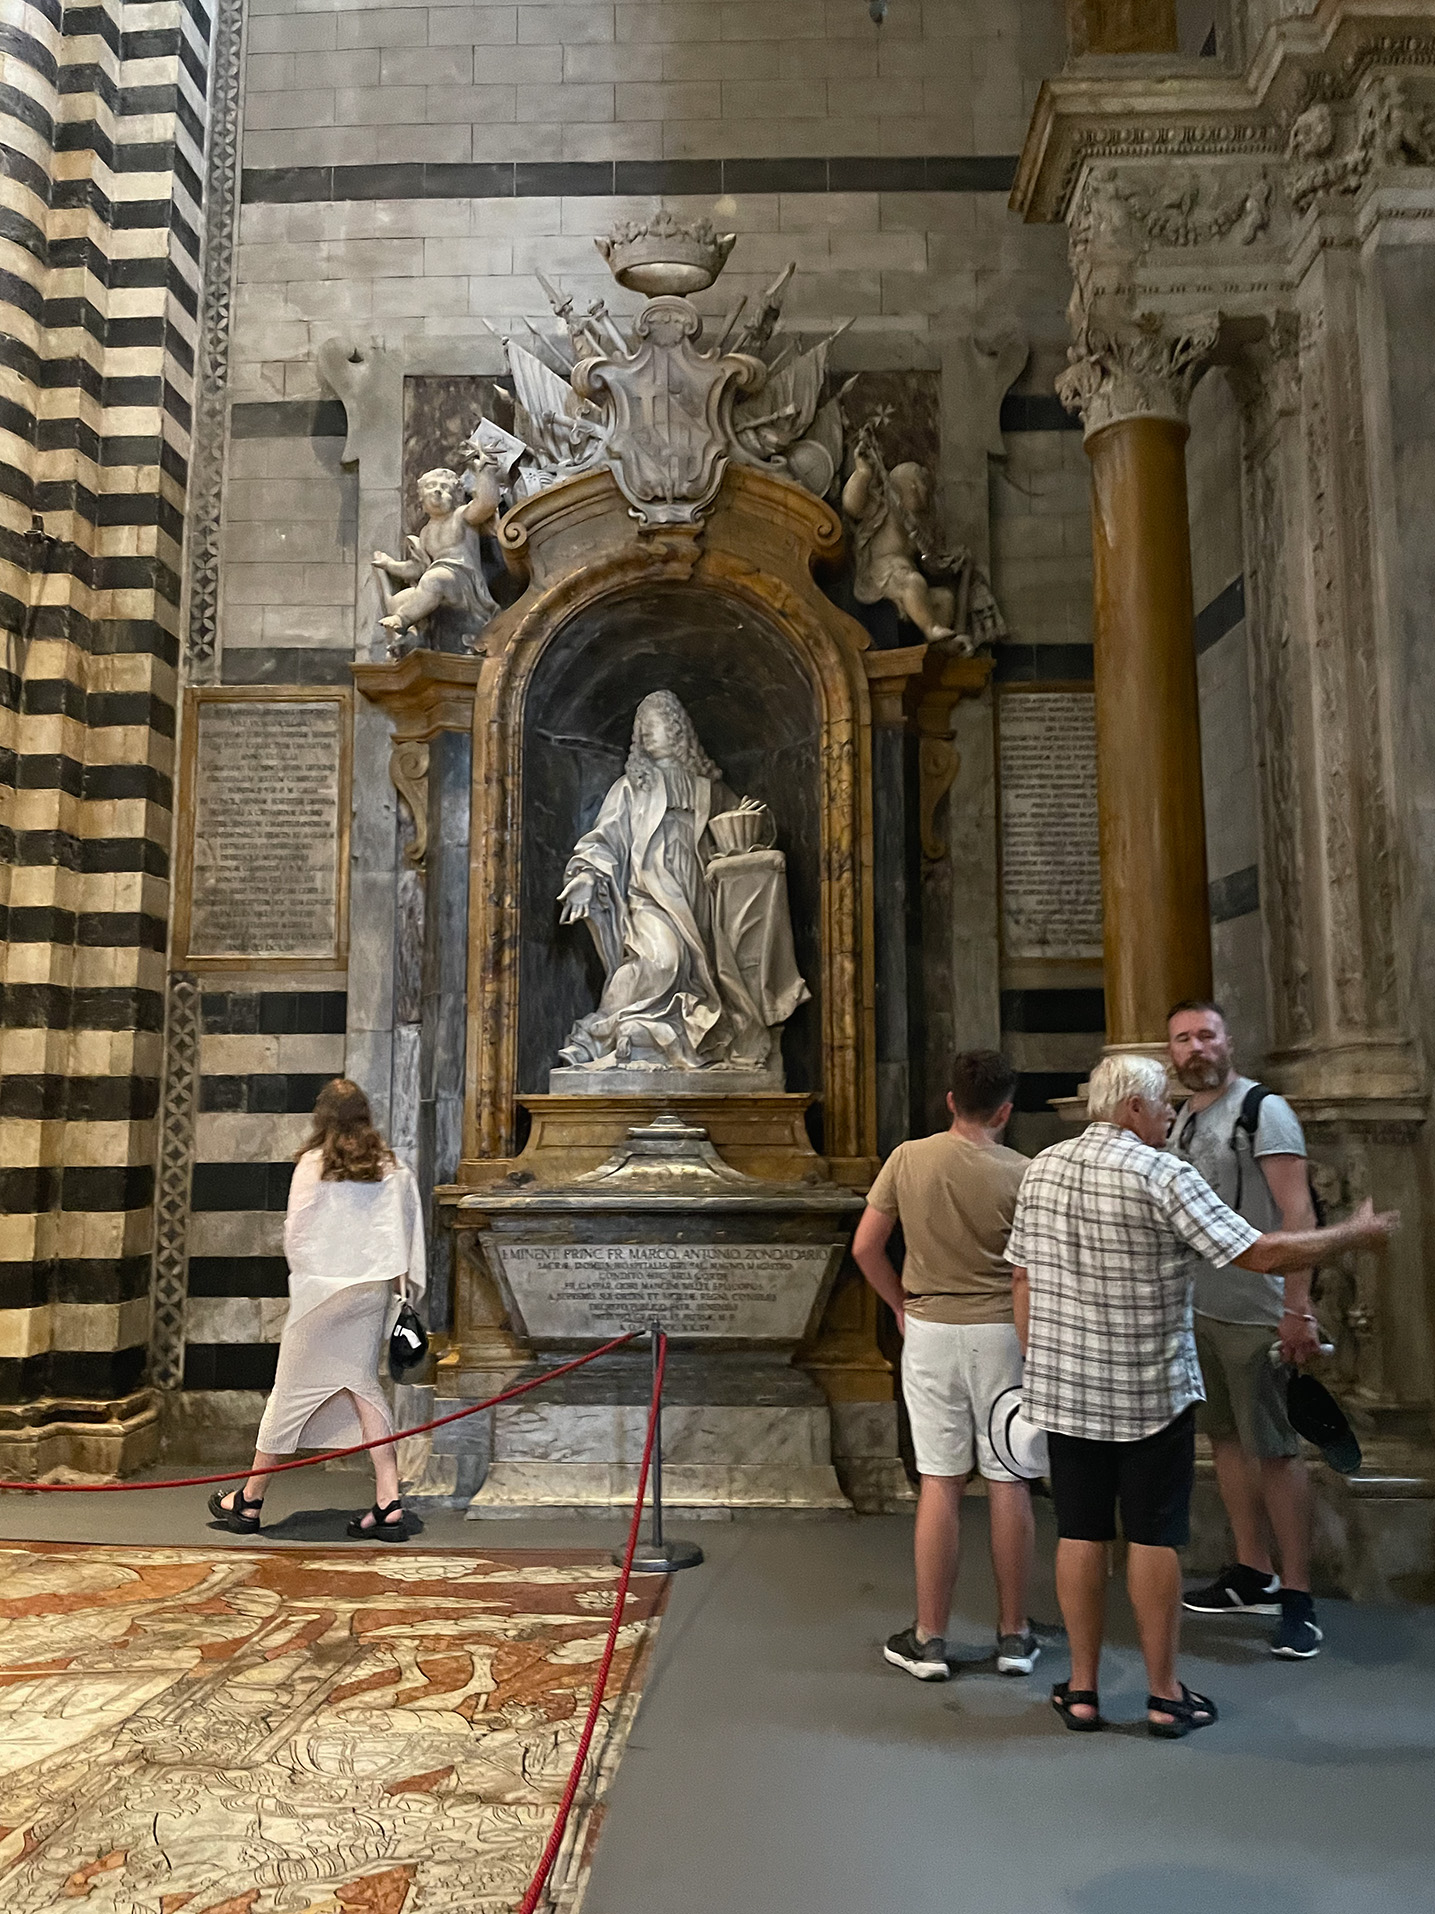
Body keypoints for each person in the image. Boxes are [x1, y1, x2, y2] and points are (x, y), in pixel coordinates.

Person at [1007, 1053, 1397, 1737]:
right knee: (1152, 1538)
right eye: (1162, 1102)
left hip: (1067, 1392)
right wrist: (1352, 1236)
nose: (1170, 1112)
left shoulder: (1041, 1167)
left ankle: (1083, 1691)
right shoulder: (1162, 1173)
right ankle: (1163, 1696)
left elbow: (1022, 1277)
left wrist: (1041, 1360)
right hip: (1147, 1394)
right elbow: (1260, 1254)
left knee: (1079, 1531)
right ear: (1132, 1107)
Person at [852, 1050, 1039, 1682]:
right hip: (1003, 1334)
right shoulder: (1024, 1172)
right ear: (1005, 1111)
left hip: (930, 1331)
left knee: (939, 1479)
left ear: (952, 1100)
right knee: (1009, 1479)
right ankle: (1014, 1635)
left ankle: (930, 1637)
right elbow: (1032, 1270)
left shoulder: (909, 1158)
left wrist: (899, 1304)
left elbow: (866, 1247)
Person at [1168, 999, 1325, 1657]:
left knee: (1276, 1451)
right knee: (1227, 1443)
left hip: (1258, 1311)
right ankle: (1252, 1570)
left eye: (1206, 1035)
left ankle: (1298, 1594)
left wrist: (1297, 1308)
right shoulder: (1182, 1115)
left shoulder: (1264, 1111)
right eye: (1183, 1039)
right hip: (1201, 1308)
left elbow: (1298, 1216)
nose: (1196, 1048)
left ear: (1228, 1041)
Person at [209, 1080, 426, 1543]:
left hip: (321, 1298)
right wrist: (394, 1285)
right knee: (364, 1388)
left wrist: (319, 1273)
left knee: (289, 1391)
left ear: (322, 1117)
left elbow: (297, 1235)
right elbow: (405, 1234)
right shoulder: (392, 1169)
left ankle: (250, 1499)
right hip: (369, 1294)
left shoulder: (312, 1166)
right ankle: (388, 1501)